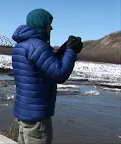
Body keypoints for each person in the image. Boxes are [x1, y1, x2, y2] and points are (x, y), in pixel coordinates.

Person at [11, 8, 83, 144]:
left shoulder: (22, 45)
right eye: (49, 24)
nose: (51, 28)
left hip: (25, 110)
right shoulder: (38, 46)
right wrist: (72, 51)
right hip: (37, 115)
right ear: (42, 24)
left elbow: (44, 65)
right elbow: (60, 74)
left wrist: (63, 50)